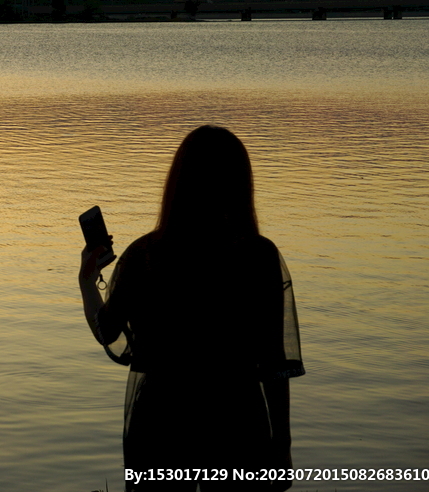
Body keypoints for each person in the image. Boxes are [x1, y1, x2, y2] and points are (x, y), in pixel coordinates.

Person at [78, 125, 305, 491]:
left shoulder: (145, 255)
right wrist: (283, 444)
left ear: (177, 183)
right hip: (236, 419)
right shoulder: (258, 257)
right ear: (239, 185)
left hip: (162, 420)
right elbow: (274, 364)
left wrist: (87, 282)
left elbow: (108, 332)